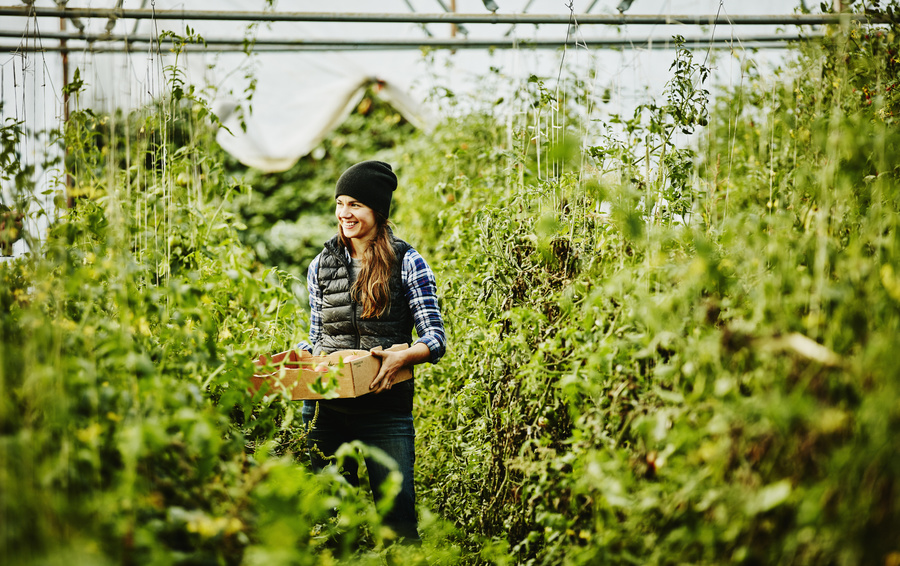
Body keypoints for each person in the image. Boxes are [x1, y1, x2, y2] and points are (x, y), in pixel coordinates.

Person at [297, 160, 446, 543]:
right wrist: (302, 354)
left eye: (356, 205)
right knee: (331, 526)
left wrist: (404, 356)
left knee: (397, 525)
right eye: (340, 203)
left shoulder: (407, 262)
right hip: (326, 410)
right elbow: (318, 336)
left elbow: (434, 338)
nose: (345, 213)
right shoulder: (320, 265)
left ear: (377, 211)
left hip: (385, 411)